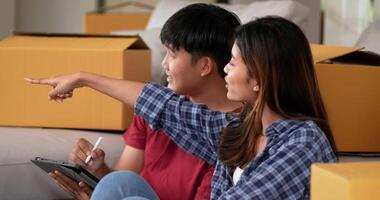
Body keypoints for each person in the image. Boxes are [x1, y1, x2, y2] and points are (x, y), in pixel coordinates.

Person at [26, 16, 337, 199]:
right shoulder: (241, 128)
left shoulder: (303, 142)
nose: (225, 69)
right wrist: (83, 78)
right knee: (120, 184)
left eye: (232, 61)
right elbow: (164, 107)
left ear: (259, 78)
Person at [27, 3, 241, 200]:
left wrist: (82, 78)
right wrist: (96, 171)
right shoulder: (152, 112)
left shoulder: (239, 132)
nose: (164, 63)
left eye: (172, 54)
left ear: (204, 66)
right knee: (119, 181)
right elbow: (121, 181)